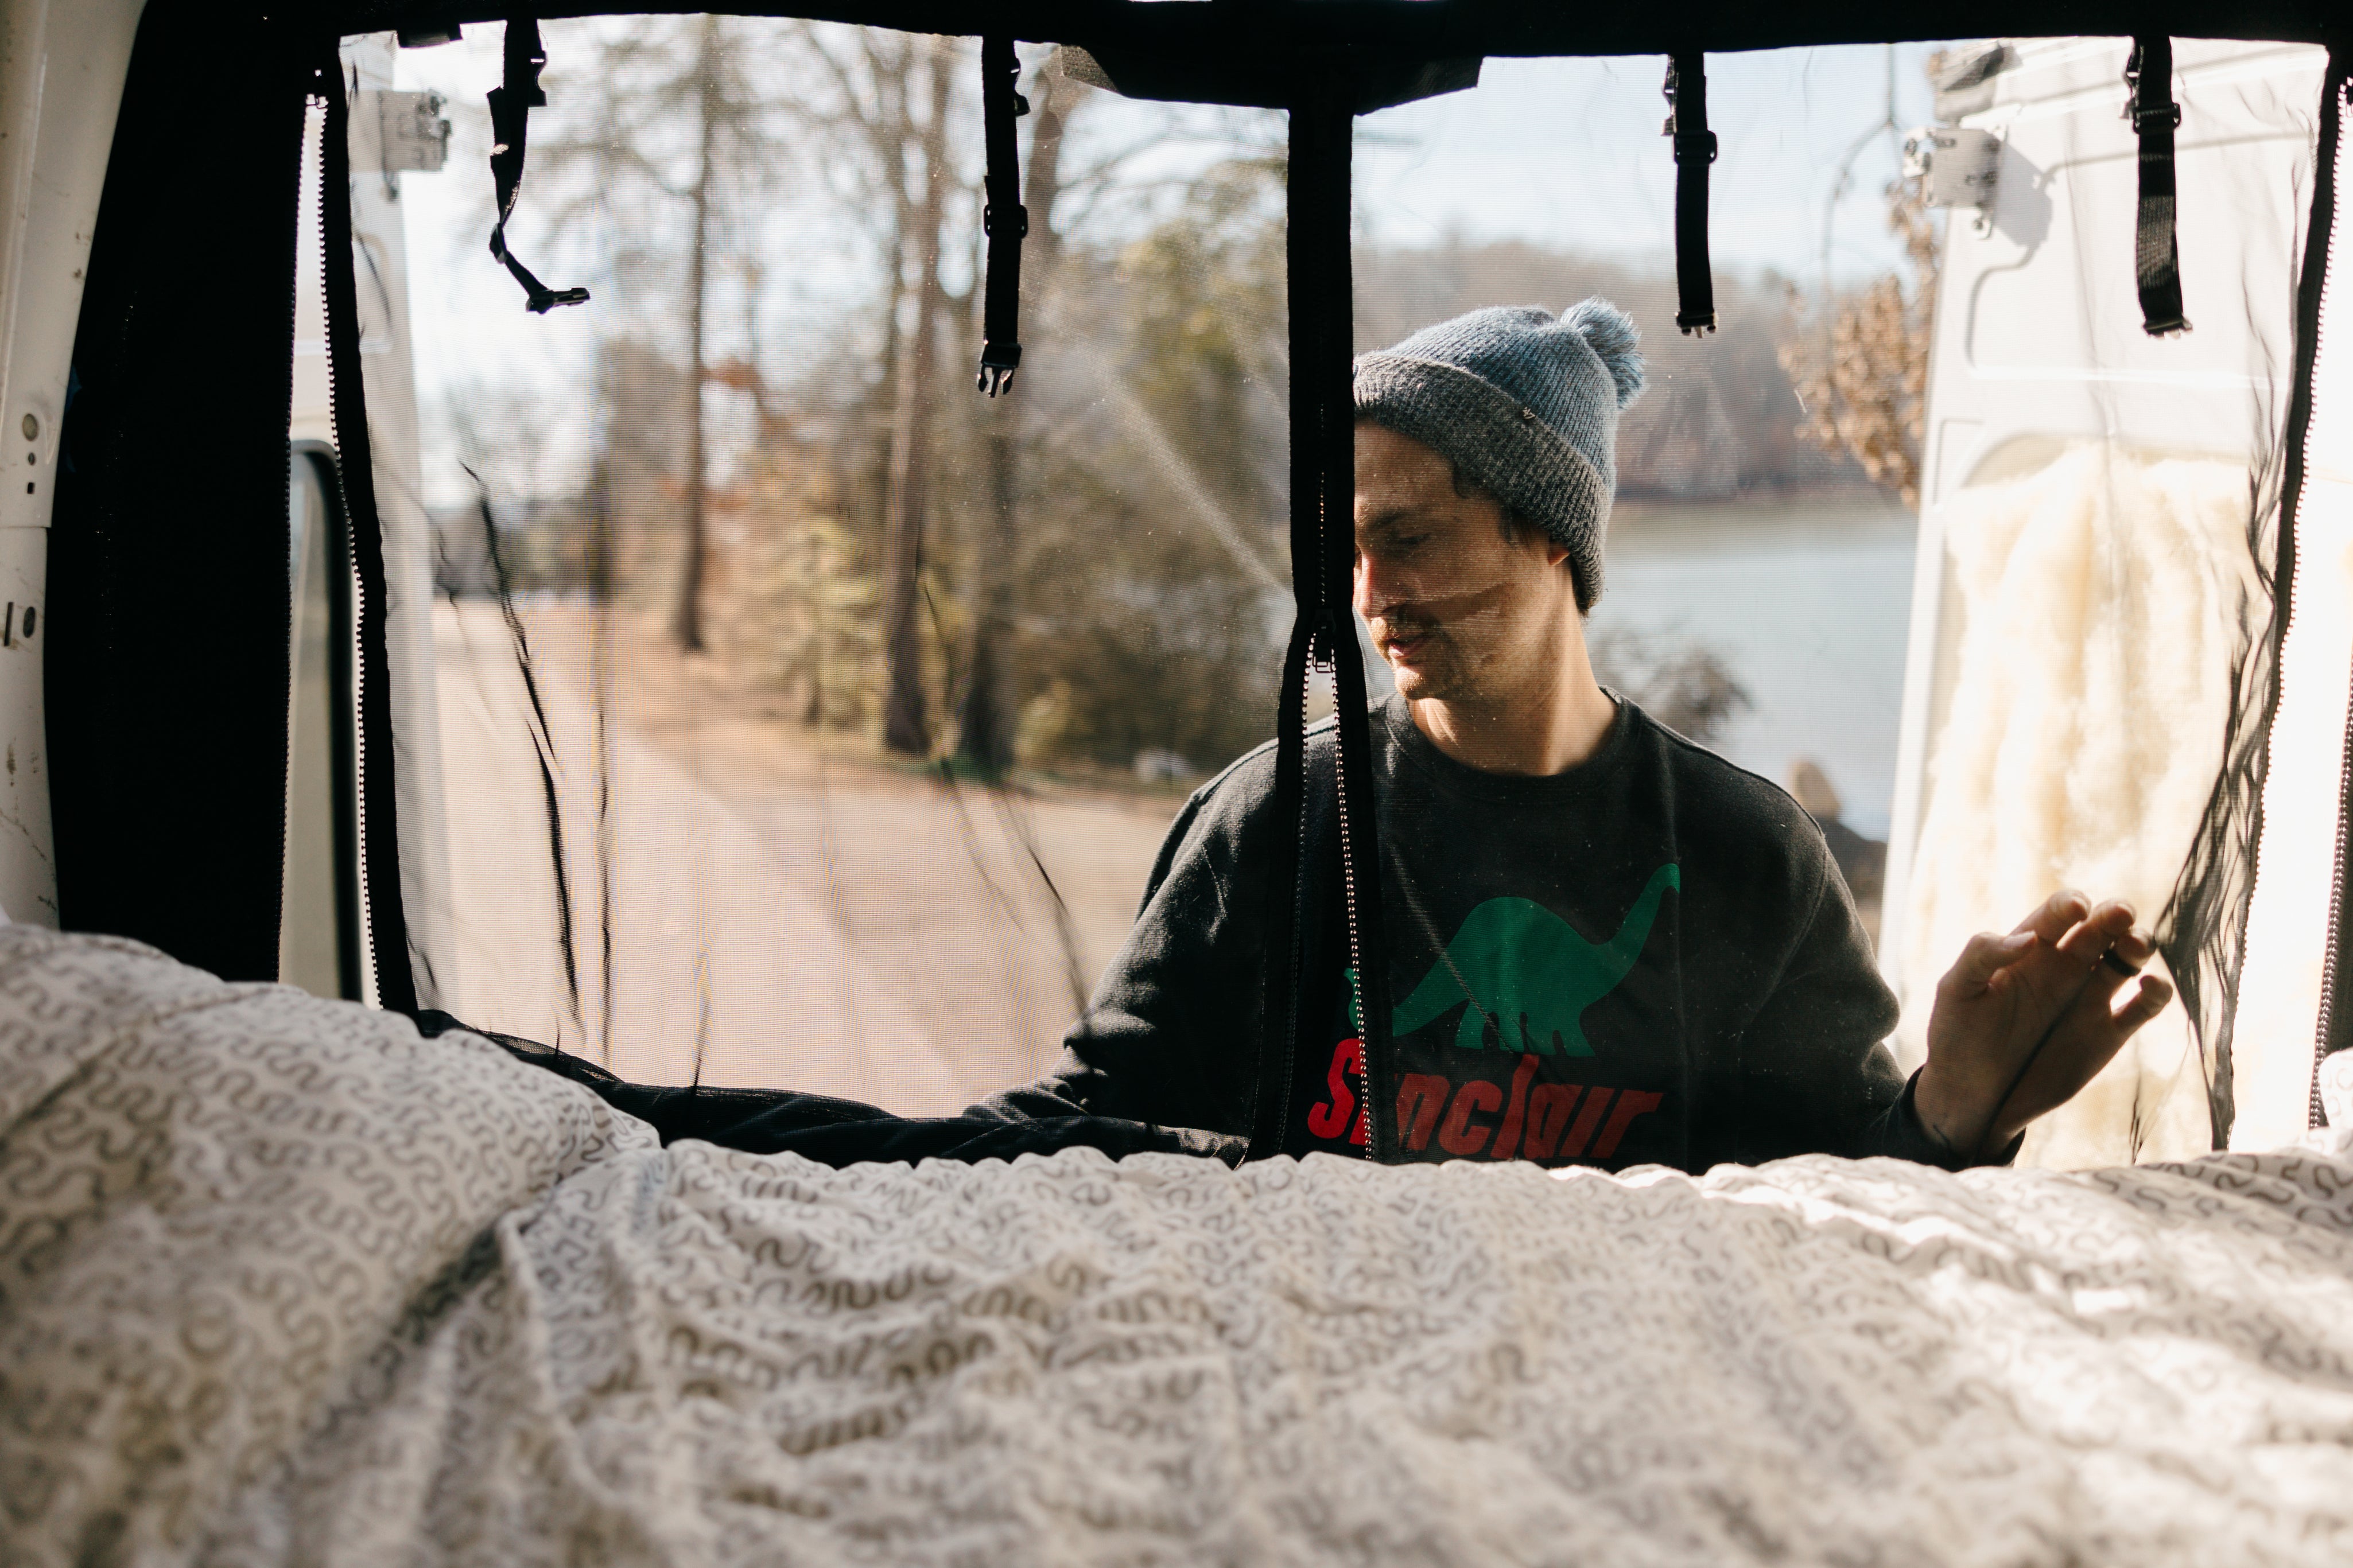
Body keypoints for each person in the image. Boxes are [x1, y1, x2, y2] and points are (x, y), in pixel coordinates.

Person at [982, 299, 2172, 1173]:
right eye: (1349, 550)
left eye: (1408, 539)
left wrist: (1955, 1108)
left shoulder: (1743, 853)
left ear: (1550, 528)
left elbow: (1845, 1192)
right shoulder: (1274, 823)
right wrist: (865, 1144)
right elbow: (1088, 1122)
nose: (1368, 595)